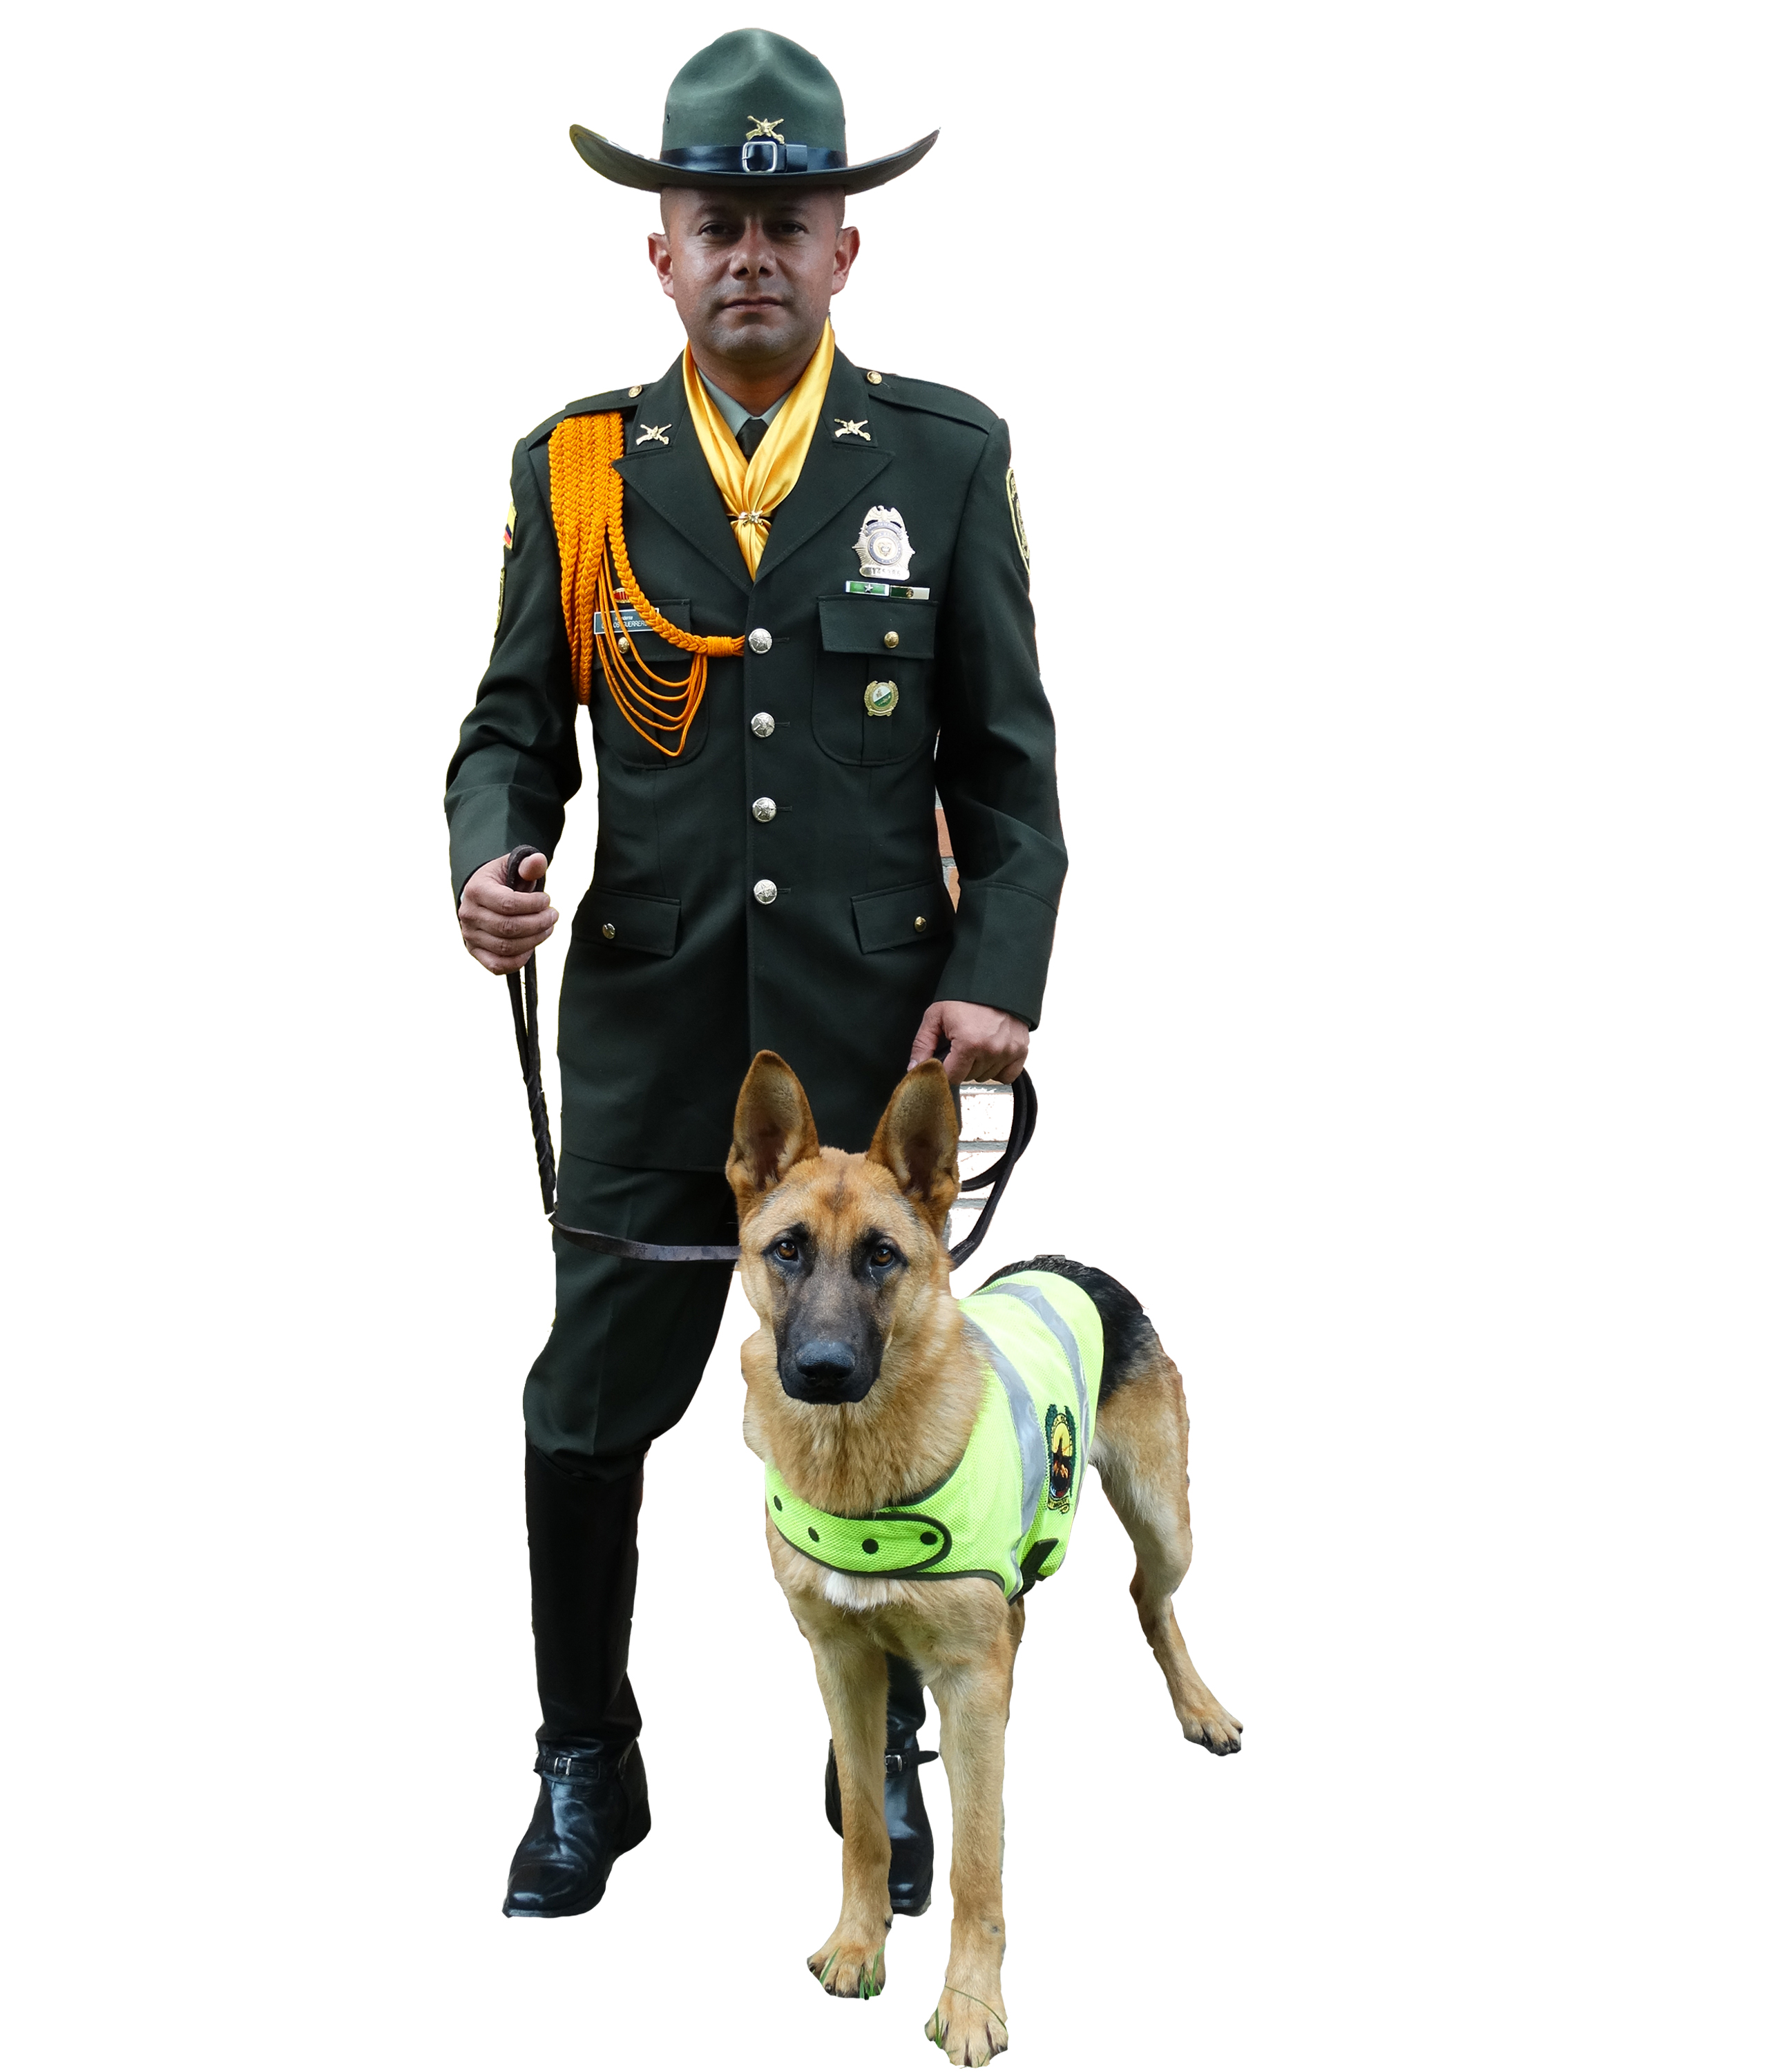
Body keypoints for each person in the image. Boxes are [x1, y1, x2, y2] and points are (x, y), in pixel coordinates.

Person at [443, 28, 1065, 1919]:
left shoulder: (940, 462)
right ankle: (585, 1757)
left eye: (787, 225)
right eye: (716, 223)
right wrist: (493, 853)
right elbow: (509, 728)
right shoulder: (577, 470)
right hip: (653, 1040)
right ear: (661, 251)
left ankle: (879, 1754)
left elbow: (1008, 774)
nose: (751, 257)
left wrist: (997, 974)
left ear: (842, 248)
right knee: (585, 1404)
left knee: (885, 1398)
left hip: (873, 1046)